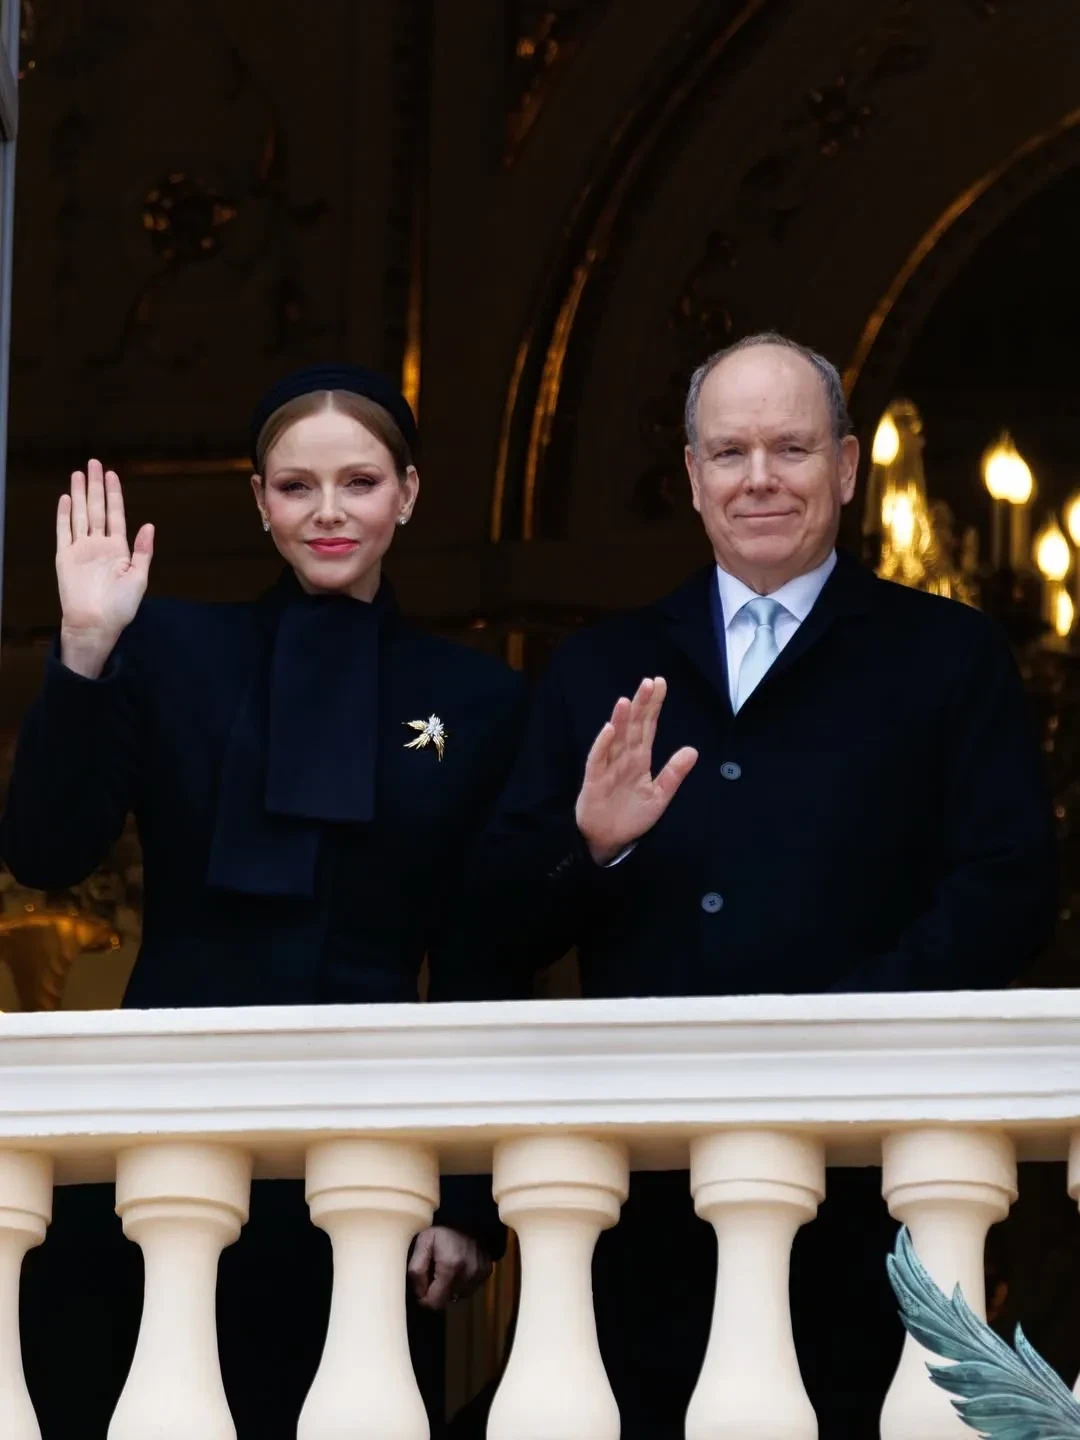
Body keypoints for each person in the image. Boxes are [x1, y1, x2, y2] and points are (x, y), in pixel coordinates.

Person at [469, 333, 1058, 1438]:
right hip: (643, 1191)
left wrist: (840, 1028)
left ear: (846, 467)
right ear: (693, 476)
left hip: (872, 1180)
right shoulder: (601, 667)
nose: (760, 479)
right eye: (730, 452)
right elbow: (492, 926)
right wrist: (593, 847)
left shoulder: (948, 654)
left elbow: (1009, 887)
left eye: (791, 448)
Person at [1, 364, 524, 1439]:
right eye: (296, 486)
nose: (329, 511)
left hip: (372, 1137)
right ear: (259, 502)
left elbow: (483, 955)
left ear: (408, 495)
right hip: (161, 1115)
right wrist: (86, 650)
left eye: (359, 482)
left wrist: (468, 1201)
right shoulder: (168, 649)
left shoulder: (475, 697)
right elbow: (46, 852)